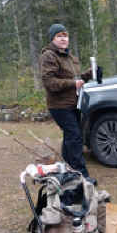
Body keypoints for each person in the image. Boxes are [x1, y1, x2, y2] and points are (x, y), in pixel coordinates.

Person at [39, 23, 96, 183]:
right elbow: (49, 82)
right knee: (75, 137)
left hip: (74, 103)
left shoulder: (70, 57)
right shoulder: (49, 56)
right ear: (52, 39)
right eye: (59, 36)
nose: (63, 39)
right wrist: (73, 83)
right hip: (59, 106)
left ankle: (68, 170)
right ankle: (81, 175)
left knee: (71, 137)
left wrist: (90, 73)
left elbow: (76, 79)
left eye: (65, 36)